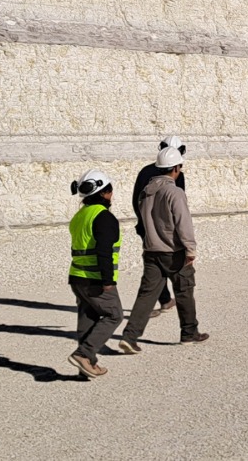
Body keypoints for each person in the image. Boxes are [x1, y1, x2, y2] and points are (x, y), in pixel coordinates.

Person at [117, 137, 209, 351]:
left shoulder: (147, 192)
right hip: (173, 251)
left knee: (146, 295)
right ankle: (189, 332)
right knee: (185, 291)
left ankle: (130, 337)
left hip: (151, 249)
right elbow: (183, 222)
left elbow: (141, 215)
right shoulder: (174, 192)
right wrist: (190, 248)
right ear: (176, 168)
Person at [67, 169, 123, 379]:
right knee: (114, 314)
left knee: (87, 318)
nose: (112, 196)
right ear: (104, 193)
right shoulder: (104, 217)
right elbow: (104, 251)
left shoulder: (79, 216)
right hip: (95, 278)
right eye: (110, 191)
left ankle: (86, 365)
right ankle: (84, 354)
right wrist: (107, 281)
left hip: (77, 276)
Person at [132, 137, 188, 317]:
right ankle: (188, 324)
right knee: (176, 268)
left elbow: (136, 201)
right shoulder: (177, 175)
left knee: (153, 263)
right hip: (169, 232)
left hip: (146, 228)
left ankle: (164, 300)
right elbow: (178, 206)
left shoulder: (144, 171)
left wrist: (144, 222)